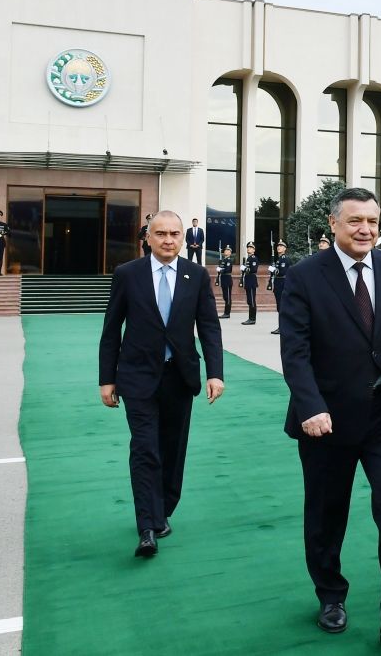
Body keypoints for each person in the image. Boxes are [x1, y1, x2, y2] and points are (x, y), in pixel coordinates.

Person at [279, 187, 381, 647]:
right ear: (334, 224)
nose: (366, 229)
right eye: (355, 222)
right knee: (328, 514)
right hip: (326, 419)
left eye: (373, 221)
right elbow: (295, 349)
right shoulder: (305, 276)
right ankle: (330, 594)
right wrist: (310, 406)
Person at [98, 210, 224, 557]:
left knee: (172, 448)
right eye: (161, 234)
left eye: (174, 234)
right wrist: (106, 379)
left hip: (179, 377)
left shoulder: (195, 275)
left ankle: (163, 508)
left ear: (183, 238)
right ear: (148, 238)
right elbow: (112, 330)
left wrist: (215, 372)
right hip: (137, 377)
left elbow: (209, 327)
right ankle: (147, 526)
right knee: (144, 448)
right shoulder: (128, 274)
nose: (168, 240)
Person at [268, 240, 290, 335]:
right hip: (278, 283)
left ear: (285, 248)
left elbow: (282, 272)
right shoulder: (278, 259)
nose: (279, 247)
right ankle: (281, 327)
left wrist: (274, 270)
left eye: (281, 246)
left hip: (282, 283)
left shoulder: (284, 259)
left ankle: (283, 327)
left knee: (282, 307)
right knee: (279, 307)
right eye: (278, 246)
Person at [240, 241, 259, 325]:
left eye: (251, 247)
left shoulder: (254, 258)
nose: (249, 249)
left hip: (251, 280)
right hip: (248, 280)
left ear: (254, 250)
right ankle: (250, 318)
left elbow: (254, 269)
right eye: (248, 247)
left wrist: (245, 269)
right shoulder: (248, 258)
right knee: (249, 300)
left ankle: (252, 319)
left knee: (251, 300)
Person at [216, 244, 234, 318]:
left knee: (228, 297)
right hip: (223, 279)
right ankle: (226, 313)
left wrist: (221, 269)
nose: (226, 251)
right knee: (225, 297)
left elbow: (228, 269)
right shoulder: (223, 260)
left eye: (228, 250)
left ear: (230, 253)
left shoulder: (229, 260)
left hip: (227, 279)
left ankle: (227, 313)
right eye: (225, 250)